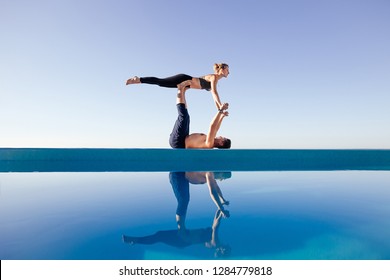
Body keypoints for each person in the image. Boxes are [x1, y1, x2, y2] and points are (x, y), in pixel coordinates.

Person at [126, 63, 230, 110]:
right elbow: (214, 92)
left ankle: (139, 80)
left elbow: (213, 95)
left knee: (160, 83)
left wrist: (219, 109)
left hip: (185, 85)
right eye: (227, 70)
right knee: (160, 81)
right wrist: (220, 105)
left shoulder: (215, 80)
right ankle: (139, 79)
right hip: (183, 79)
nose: (228, 72)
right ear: (221, 69)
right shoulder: (213, 78)